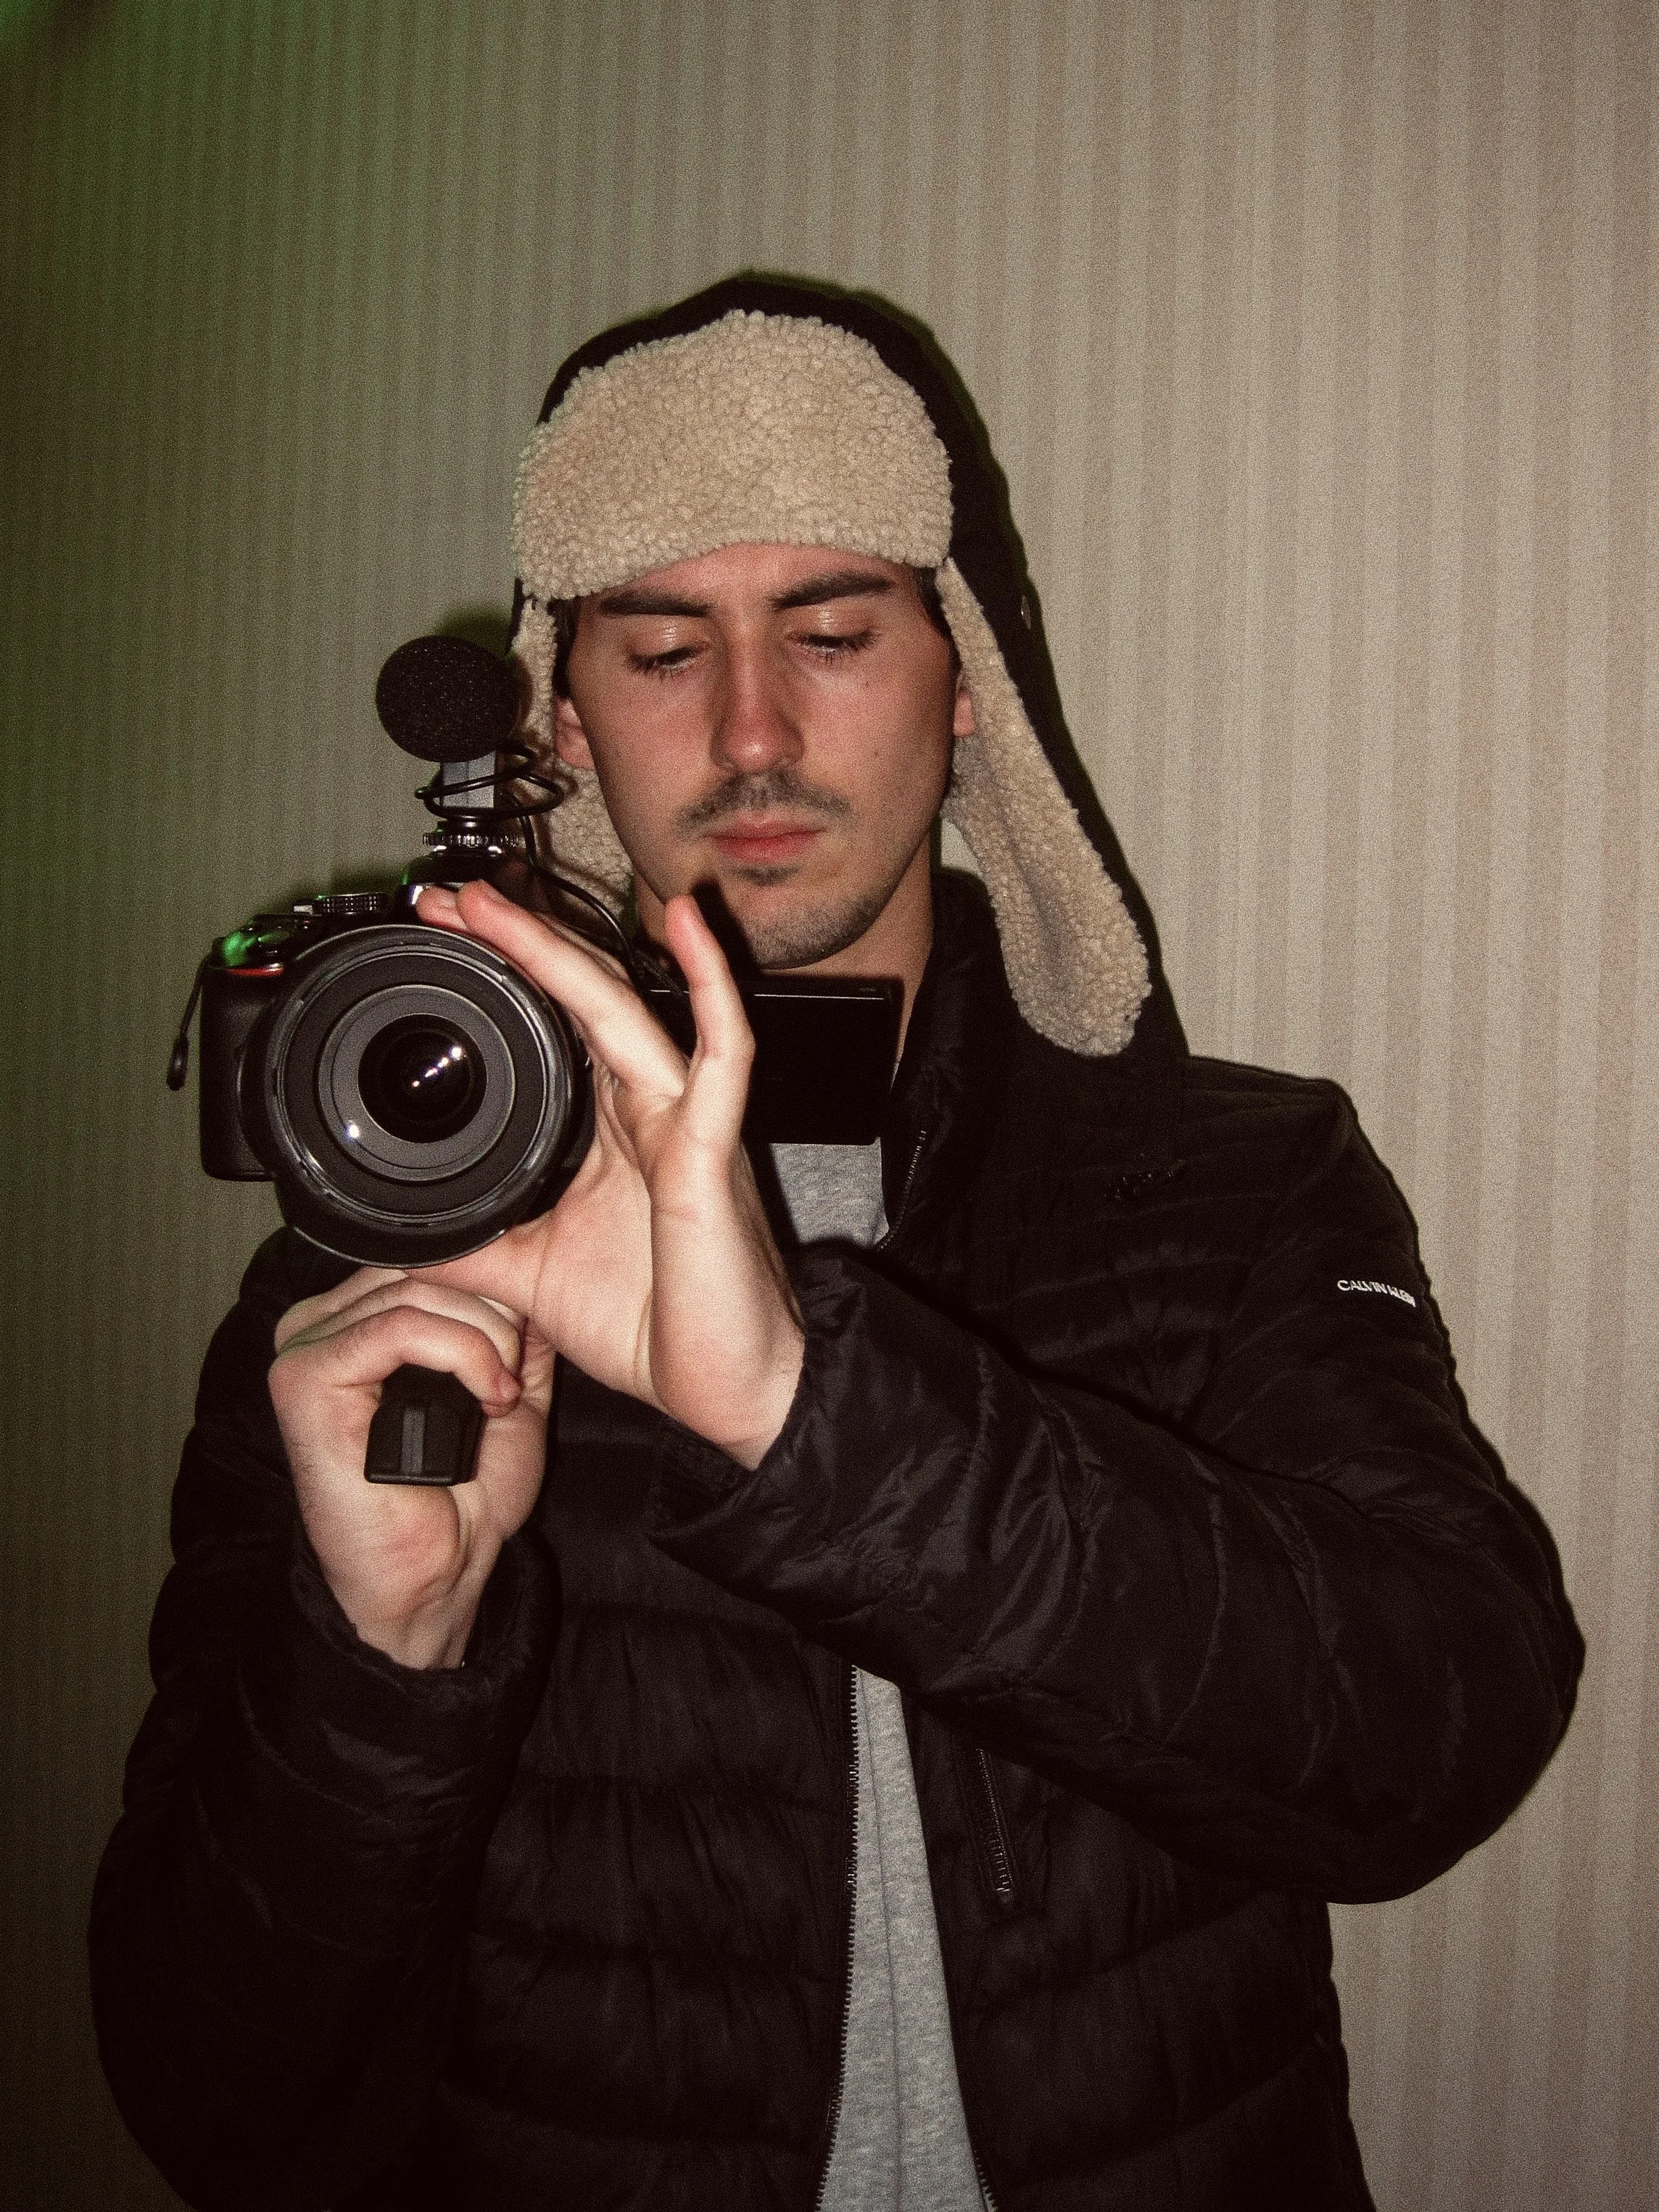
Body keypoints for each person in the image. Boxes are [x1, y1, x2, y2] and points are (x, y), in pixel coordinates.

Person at [91, 277, 1581, 2212]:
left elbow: (1436, 1739)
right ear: (560, 715)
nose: (754, 728)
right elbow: (205, 2101)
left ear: (967, 692)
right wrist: (382, 1668)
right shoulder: (375, 1283)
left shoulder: (1229, 1182)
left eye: (833, 633)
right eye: (660, 647)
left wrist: (805, 1410)